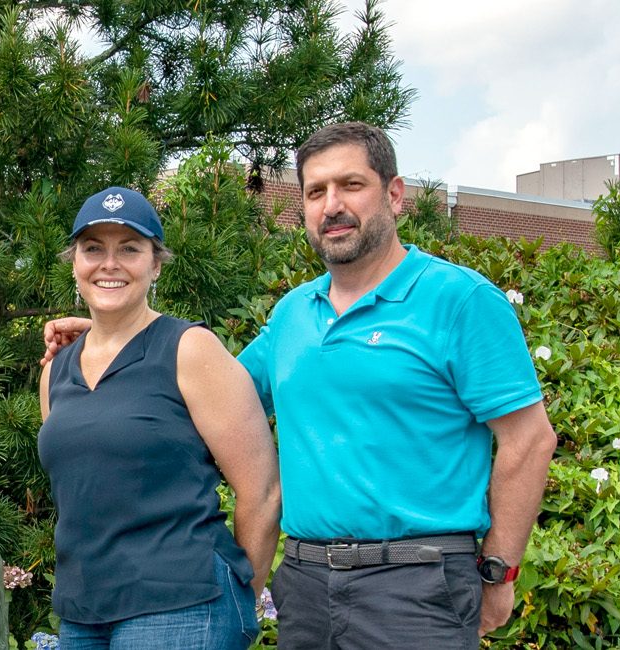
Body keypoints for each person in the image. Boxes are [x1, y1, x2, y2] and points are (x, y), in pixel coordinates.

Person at [46, 122, 559, 648]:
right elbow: (202, 390)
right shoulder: (293, 314)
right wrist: (113, 335)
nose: (332, 205)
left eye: (351, 185)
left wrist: (500, 571)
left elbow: (530, 439)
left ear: (395, 195)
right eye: (316, 191)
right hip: (307, 582)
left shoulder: (459, 300)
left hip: (417, 582)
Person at [38, 186, 280, 649]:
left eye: (130, 249)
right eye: (93, 249)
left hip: (181, 604)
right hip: (82, 611)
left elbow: (262, 492)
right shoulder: (56, 371)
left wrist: (241, 599)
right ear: (75, 264)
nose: (110, 264)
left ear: (155, 265)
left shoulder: (189, 349)